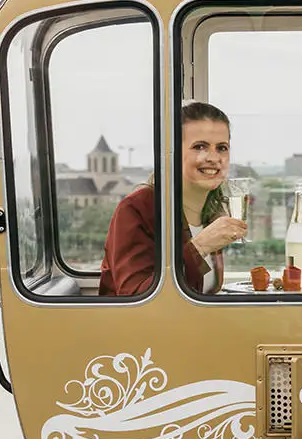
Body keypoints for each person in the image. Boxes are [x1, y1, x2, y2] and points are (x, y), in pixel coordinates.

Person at [99, 101, 247, 296]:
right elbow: (135, 297)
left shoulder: (213, 209)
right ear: (172, 153)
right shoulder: (137, 208)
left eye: (221, 148)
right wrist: (200, 246)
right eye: (200, 146)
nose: (213, 157)